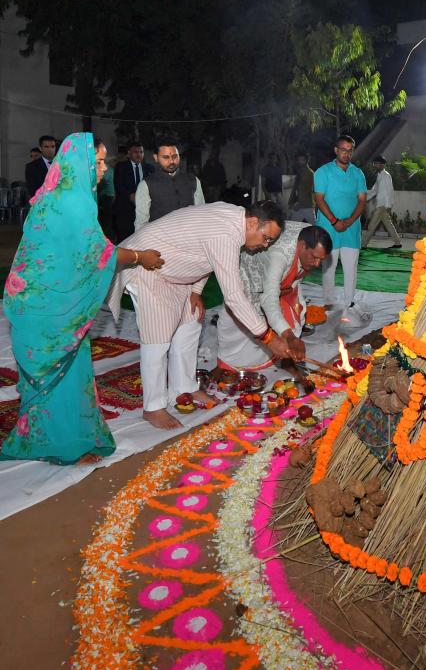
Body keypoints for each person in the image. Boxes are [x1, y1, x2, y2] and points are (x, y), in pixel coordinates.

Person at [1, 134, 163, 465]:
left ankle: (49, 438)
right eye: (98, 161)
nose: (103, 169)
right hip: (48, 306)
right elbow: (98, 256)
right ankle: (66, 446)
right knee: (62, 376)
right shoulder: (74, 203)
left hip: (37, 300)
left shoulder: (54, 195)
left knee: (56, 374)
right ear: (79, 164)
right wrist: (140, 257)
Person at [108, 199, 291, 430]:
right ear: (254, 222)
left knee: (190, 323)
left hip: (174, 271)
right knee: (158, 337)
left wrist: (196, 290)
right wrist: (268, 337)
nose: (265, 245)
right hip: (148, 266)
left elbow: (201, 251)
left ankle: (184, 388)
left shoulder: (234, 221)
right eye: (266, 238)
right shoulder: (226, 232)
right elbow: (234, 296)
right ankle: (153, 407)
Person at [216, 223, 331, 370]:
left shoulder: (312, 236)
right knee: (240, 320)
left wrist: (287, 288)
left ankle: (286, 359)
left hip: (281, 281)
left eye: (321, 260)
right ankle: (226, 365)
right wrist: (288, 336)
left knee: (295, 313)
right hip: (250, 273)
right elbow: (268, 299)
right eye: (314, 257)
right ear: (302, 246)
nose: (317, 264)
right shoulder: (280, 256)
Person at [314, 134, 370, 321]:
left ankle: (349, 302)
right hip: (328, 228)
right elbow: (319, 199)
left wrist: (349, 221)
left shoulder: (358, 173)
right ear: (336, 150)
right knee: (328, 267)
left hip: (351, 229)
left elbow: (362, 200)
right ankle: (329, 302)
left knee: (350, 267)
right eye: (343, 150)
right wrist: (335, 221)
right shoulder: (323, 172)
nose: (346, 154)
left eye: (350, 150)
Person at [134, 138, 205, 231]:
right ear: (156, 158)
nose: (171, 161)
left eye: (175, 156)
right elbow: (141, 223)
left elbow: (201, 213)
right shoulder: (146, 185)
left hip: (190, 235)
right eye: (166, 157)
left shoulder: (193, 180)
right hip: (160, 238)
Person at [113, 143, 154, 240]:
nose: (139, 154)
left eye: (141, 152)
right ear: (129, 153)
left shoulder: (150, 168)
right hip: (125, 209)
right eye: (136, 152)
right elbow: (119, 185)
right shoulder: (121, 167)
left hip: (145, 210)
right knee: (125, 239)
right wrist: (130, 195)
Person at [362, 155, 402, 249]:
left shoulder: (386, 176)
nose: (374, 165)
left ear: (382, 165)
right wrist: (364, 197)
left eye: (376, 163)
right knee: (388, 224)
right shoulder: (379, 176)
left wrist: (389, 206)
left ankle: (363, 244)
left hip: (382, 206)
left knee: (371, 225)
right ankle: (397, 243)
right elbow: (374, 191)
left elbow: (390, 191)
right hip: (381, 205)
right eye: (374, 163)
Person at [289, 151, 315, 223]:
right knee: (293, 225)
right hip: (300, 205)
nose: (300, 162)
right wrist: (291, 201)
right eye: (298, 160)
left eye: (302, 160)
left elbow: (308, 190)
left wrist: (299, 203)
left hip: (306, 205)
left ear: (307, 161)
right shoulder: (300, 172)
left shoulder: (309, 173)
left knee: (315, 226)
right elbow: (296, 188)